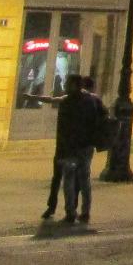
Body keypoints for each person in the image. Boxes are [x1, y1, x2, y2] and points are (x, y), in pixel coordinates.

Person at [51, 74, 106, 224]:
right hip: (87, 146)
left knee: (69, 179)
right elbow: (104, 116)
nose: (66, 86)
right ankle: (85, 212)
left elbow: (64, 128)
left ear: (75, 85)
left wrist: (61, 149)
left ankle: (70, 212)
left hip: (71, 147)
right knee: (84, 180)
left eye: (68, 83)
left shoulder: (68, 102)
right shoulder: (92, 100)